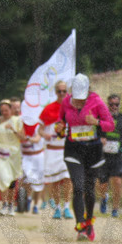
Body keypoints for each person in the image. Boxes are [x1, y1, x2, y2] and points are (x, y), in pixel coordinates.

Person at [55, 74, 114, 240]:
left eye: (82, 98)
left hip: (93, 151)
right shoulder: (66, 102)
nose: (79, 102)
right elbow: (60, 123)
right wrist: (59, 128)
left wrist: (95, 122)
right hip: (73, 150)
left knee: (88, 190)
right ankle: (80, 226)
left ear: (88, 91)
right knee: (78, 186)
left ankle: (89, 223)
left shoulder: (96, 101)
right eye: (77, 98)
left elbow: (110, 125)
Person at [39, 80, 73, 220]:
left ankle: (66, 207)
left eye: (64, 91)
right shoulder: (49, 109)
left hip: (67, 149)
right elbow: (40, 129)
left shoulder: (71, 108)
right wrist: (44, 134)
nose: (62, 94)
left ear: (67, 92)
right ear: (55, 92)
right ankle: (57, 208)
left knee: (67, 178)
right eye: (59, 91)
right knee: (54, 181)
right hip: (52, 150)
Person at [98, 94, 122, 217]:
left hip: (117, 155)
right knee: (102, 184)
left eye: (116, 104)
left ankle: (115, 209)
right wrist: (100, 139)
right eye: (111, 104)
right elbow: (95, 132)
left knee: (117, 181)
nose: (114, 107)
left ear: (119, 105)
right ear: (107, 105)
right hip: (103, 155)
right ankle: (104, 198)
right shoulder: (102, 118)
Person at [0, 100, 24, 215]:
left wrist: (13, 130)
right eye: (2, 111)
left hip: (14, 154)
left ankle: (11, 204)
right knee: (2, 177)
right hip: (1, 152)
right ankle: (4, 204)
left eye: (6, 110)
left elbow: (23, 136)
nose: (4, 112)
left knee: (11, 181)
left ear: (11, 110)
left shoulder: (17, 121)